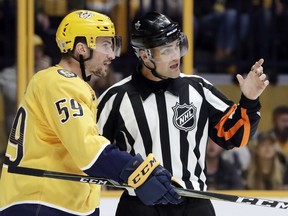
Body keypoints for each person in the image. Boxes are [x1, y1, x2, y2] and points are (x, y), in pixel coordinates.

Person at [0, 10, 182, 216]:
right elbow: (89, 150)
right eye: (105, 45)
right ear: (81, 48)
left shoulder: (71, 86)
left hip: (63, 204)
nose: (112, 55)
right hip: (40, 202)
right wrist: (140, 172)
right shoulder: (58, 82)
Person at [96, 11, 269, 216]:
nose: (176, 55)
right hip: (139, 207)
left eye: (177, 46)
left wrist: (249, 100)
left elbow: (235, 138)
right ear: (144, 55)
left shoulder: (199, 89)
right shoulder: (116, 97)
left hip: (194, 205)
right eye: (166, 50)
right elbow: (93, 153)